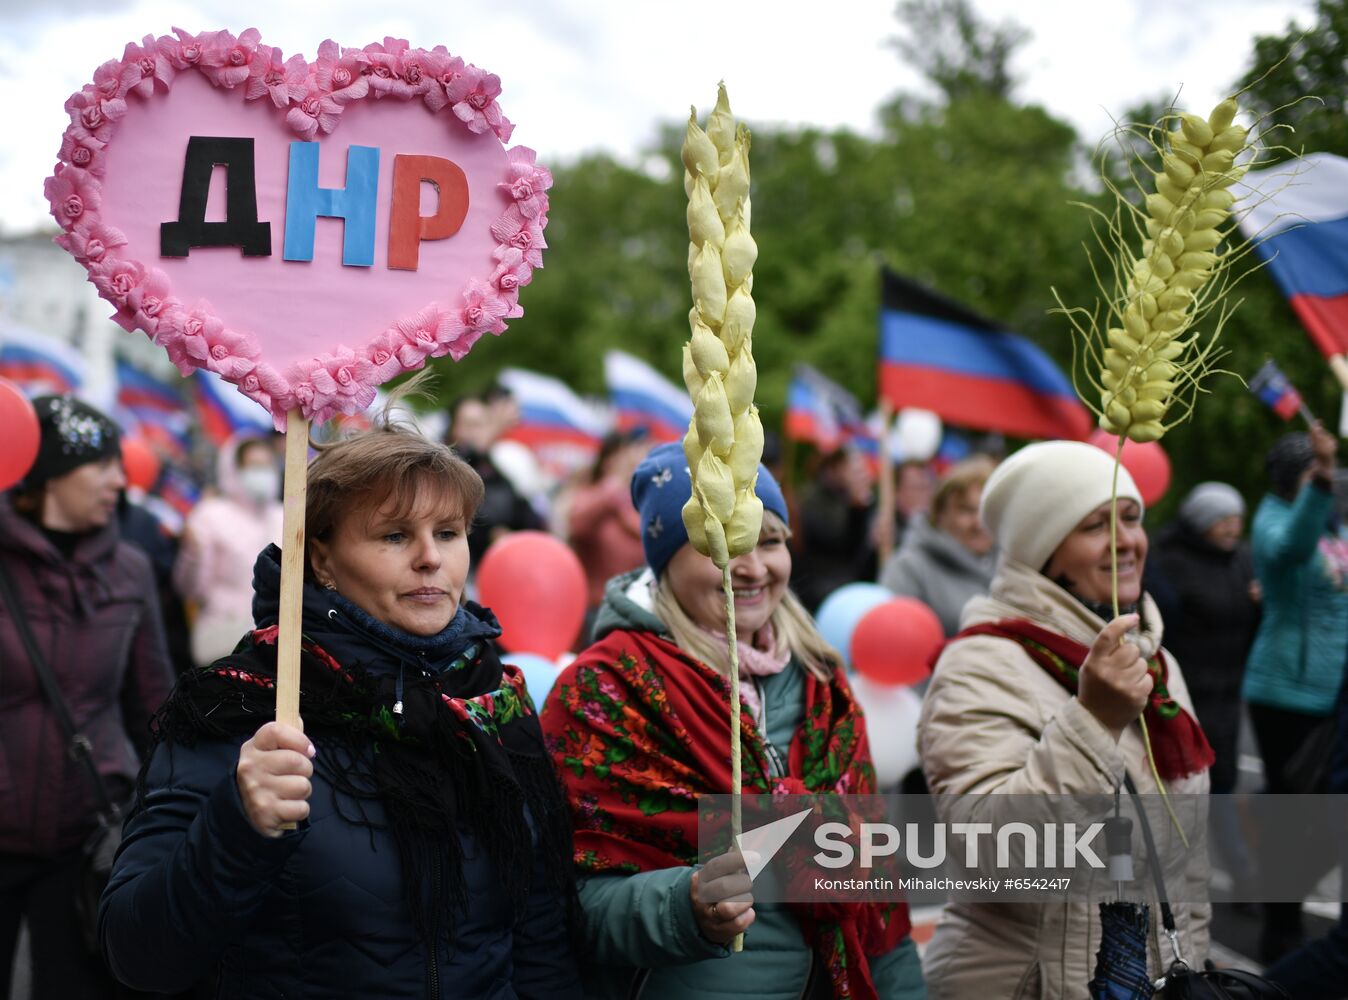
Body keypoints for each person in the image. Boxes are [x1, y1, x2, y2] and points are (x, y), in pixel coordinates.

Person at [101, 408, 582, 998]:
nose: (430, 557)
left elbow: (539, 937)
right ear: (322, 559)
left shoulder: (492, 704)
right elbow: (138, 953)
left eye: (449, 533)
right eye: (395, 535)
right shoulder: (242, 707)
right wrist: (237, 825)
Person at [540, 443, 924, 1000]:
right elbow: (566, 902)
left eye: (770, 542)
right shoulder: (605, 689)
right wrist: (684, 906)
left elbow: (875, 893)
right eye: (721, 545)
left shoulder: (823, 686)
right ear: (665, 558)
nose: (751, 567)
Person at [918, 440, 1212, 998]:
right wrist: (1094, 722)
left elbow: (1186, 863)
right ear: (1045, 550)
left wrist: (1191, 964)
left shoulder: (1154, 660)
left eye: (1130, 518)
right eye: (1095, 526)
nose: (1126, 541)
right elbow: (991, 855)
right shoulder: (980, 662)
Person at [1, 395, 175, 999]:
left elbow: (153, 703)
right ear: (48, 472)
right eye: (99, 463)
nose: (118, 478)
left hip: (85, 834)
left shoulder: (130, 569)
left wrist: (166, 811)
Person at [1240, 425, 1348, 963]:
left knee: (1327, 815)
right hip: (1286, 692)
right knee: (1297, 816)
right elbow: (1292, 548)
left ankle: (1283, 901)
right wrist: (1324, 482)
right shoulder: (1275, 522)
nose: (1321, 487)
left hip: (1333, 690)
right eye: (1310, 477)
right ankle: (1279, 929)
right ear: (1293, 481)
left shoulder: (1332, 524)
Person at [1150, 481, 1259, 888]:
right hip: (1187, 692)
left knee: (1223, 781)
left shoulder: (1241, 560)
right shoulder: (1172, 564)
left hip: (1229, 692)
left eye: (1237, 520)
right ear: (1201, 523)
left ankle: (1240, 870)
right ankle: (1220, 873)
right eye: (1223, 520)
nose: (1233, 528)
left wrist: (1260, 603)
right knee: (1192, 784)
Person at [174, 433, 284, 667]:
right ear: (233, 469)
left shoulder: (284, 516)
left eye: (266, 465)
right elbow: (191, 590)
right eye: (253, 466)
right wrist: (191, 554)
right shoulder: (210, 515)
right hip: (226, 642)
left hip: (280, 643)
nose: (261, 473)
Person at [879, 455, 997, 637]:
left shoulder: (1011, 564)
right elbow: (893, 639)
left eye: (986, 511)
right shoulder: (910, 568)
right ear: (940, 515)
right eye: (966, 510)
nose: (979, 523)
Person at [447, 394, 543, 566]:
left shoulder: (495, 469)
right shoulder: (446, 470)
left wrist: (515, 535)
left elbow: (529, 516)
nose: (476, 433)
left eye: (481, 425)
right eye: (469, 425)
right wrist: (491, 532)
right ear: (454, 429)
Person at [567, 428, 651, 613]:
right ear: (608, 461)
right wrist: (614, 484)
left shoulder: (638, 503)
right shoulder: (592, 496)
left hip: (634, 608)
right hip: (596, 607)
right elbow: (576, 525)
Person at [792, 446, 876, 612]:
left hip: (851, 587)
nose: (860, 477)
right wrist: (857, 511)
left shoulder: (855, 500)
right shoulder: (810, 500)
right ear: (835, 469)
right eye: (854, 470)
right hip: (821, 591)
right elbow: (838, 544)